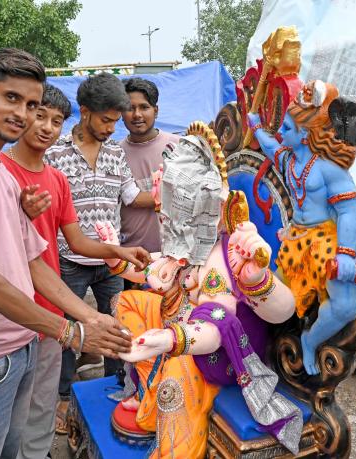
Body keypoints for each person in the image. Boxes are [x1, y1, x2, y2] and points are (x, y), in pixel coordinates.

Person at [0, 48, 138, 459]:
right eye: (10, 98)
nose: (22, 113)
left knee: (14, 451)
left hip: (22, 344)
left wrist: (89, 316)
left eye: (31, 104)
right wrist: (68, 330)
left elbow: (33, 262)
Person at [94, 124, 302, 458]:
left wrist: (172, 340)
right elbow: (154, 268)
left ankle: (175, 450)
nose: (160, 191)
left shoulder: (225, 254)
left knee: (177, 372)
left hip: (214, 352)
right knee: (126, 300)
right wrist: (113, 253)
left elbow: (226, 321)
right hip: (178, 324)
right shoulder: (183, 241)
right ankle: (150, 393)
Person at [0, 84, 150, 459]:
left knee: (46, 388)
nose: (46, 126)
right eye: (38, 115)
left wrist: (119, 250)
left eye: (54, 120)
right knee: (11, 396)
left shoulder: (57, 178)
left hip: (65, 286)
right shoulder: (0, 172)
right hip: (14, 304)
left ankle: (41, 447)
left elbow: (78, 237)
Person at [45, 72, 156, 433]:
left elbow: (130, 196)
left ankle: (117, 389)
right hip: (69, 261)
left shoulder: (114, 153)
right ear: (84, 112)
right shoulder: (54, 152)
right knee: (66, 333)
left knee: (119, 327)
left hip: (111, 263)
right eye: (106, 120)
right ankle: (63, 398)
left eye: (114, 120)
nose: (112, 128)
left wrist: (166, 194)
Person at [248, 80, 356, 375]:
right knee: (267, 296)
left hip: (326, 244)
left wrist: (347, 255)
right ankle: (259, 349)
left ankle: (310, 341)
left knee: (345, 306)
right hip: (296, 241)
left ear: (305, 134)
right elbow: (271, 146)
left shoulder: (328, 168)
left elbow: (349, 210)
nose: (281, 132)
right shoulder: (289, 159)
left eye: (287, 127)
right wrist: (256, 127)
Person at [120, 78, 179, 255]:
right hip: (130, 259)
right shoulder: (114, 154)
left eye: (144, 107)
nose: (137, 114)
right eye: (130, 108)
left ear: (156, 110)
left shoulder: (180, 147)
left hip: (176, 257)